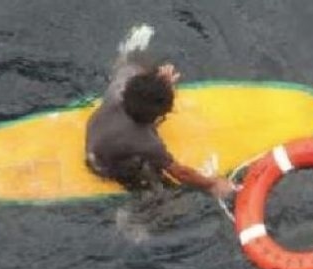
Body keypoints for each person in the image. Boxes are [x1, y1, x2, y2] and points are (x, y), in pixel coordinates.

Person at [85, 25, 235, 199]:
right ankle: (135, 218)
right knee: (157, 190)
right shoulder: (147, 143)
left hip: (96, 129)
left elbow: (130, 66)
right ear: (156, 118)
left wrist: (158, 81)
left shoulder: (123, 80)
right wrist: (212, 184)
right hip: (102, 163)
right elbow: (180, 173)